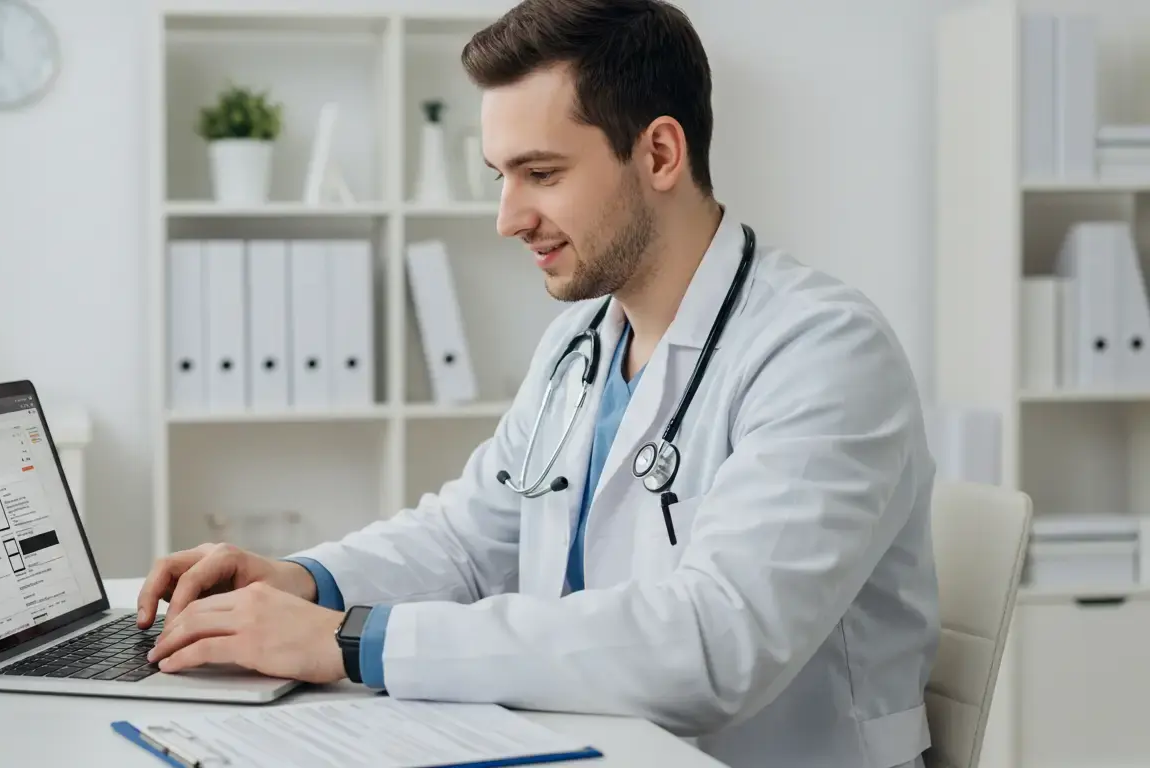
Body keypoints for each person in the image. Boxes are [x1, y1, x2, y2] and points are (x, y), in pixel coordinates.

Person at [137, 1, 940, 766]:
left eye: (541, 173)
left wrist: (350, 640)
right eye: (500, 176)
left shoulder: (822, 350)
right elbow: (472, 535)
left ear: (660, 153)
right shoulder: (583, 341)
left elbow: (714, 646)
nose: (508, 217)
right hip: (595, 745)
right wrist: (305, 579)